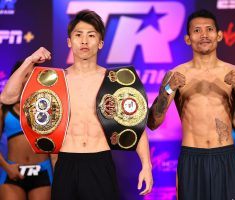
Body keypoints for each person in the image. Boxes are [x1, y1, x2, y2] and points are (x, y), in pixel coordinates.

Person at [0, 10, 153, 200]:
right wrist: (30, 61)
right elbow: (7, 98)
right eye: (78, 35)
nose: (84, 41)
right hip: (66, 164)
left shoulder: (114, 81)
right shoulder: (54, 80)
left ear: (100, 43)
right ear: (69, 42)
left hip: (100, 162)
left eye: (91, 35)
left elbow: (136, 125)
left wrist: (146, 165)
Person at [147, 9, 235, 200]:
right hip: (192, 158)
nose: (204, 35)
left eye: (209, 29)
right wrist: (168, 90)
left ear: (219, 36)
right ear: (187, 38)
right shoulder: (175, 75)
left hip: (224, 157)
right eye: (197, 30)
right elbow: (153, 123)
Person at [0, 62, 53, 200]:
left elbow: (56, 143)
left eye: (33, 75)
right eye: (25, 74)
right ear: (16, 77)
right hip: (12, 172)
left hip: (43, 171)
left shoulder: (49, 105)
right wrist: (6, 167)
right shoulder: (3, 106)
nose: (28, 78)